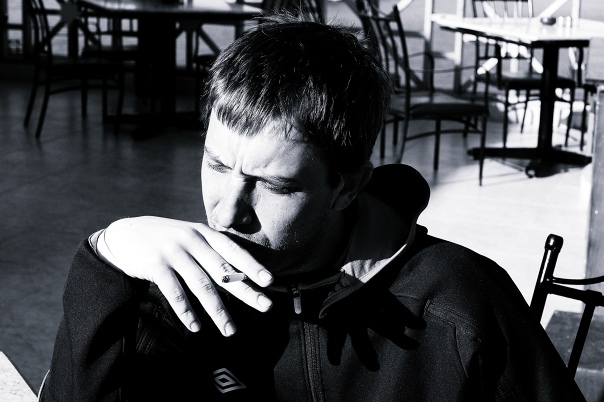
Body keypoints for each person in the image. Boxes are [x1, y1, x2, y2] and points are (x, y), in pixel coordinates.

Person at [40, 12, 585, 402]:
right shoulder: (170, 289)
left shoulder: (460, 307)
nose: (226, 214)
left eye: (273, 186)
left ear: (347, 186)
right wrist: (106, 260)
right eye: (217, 165)